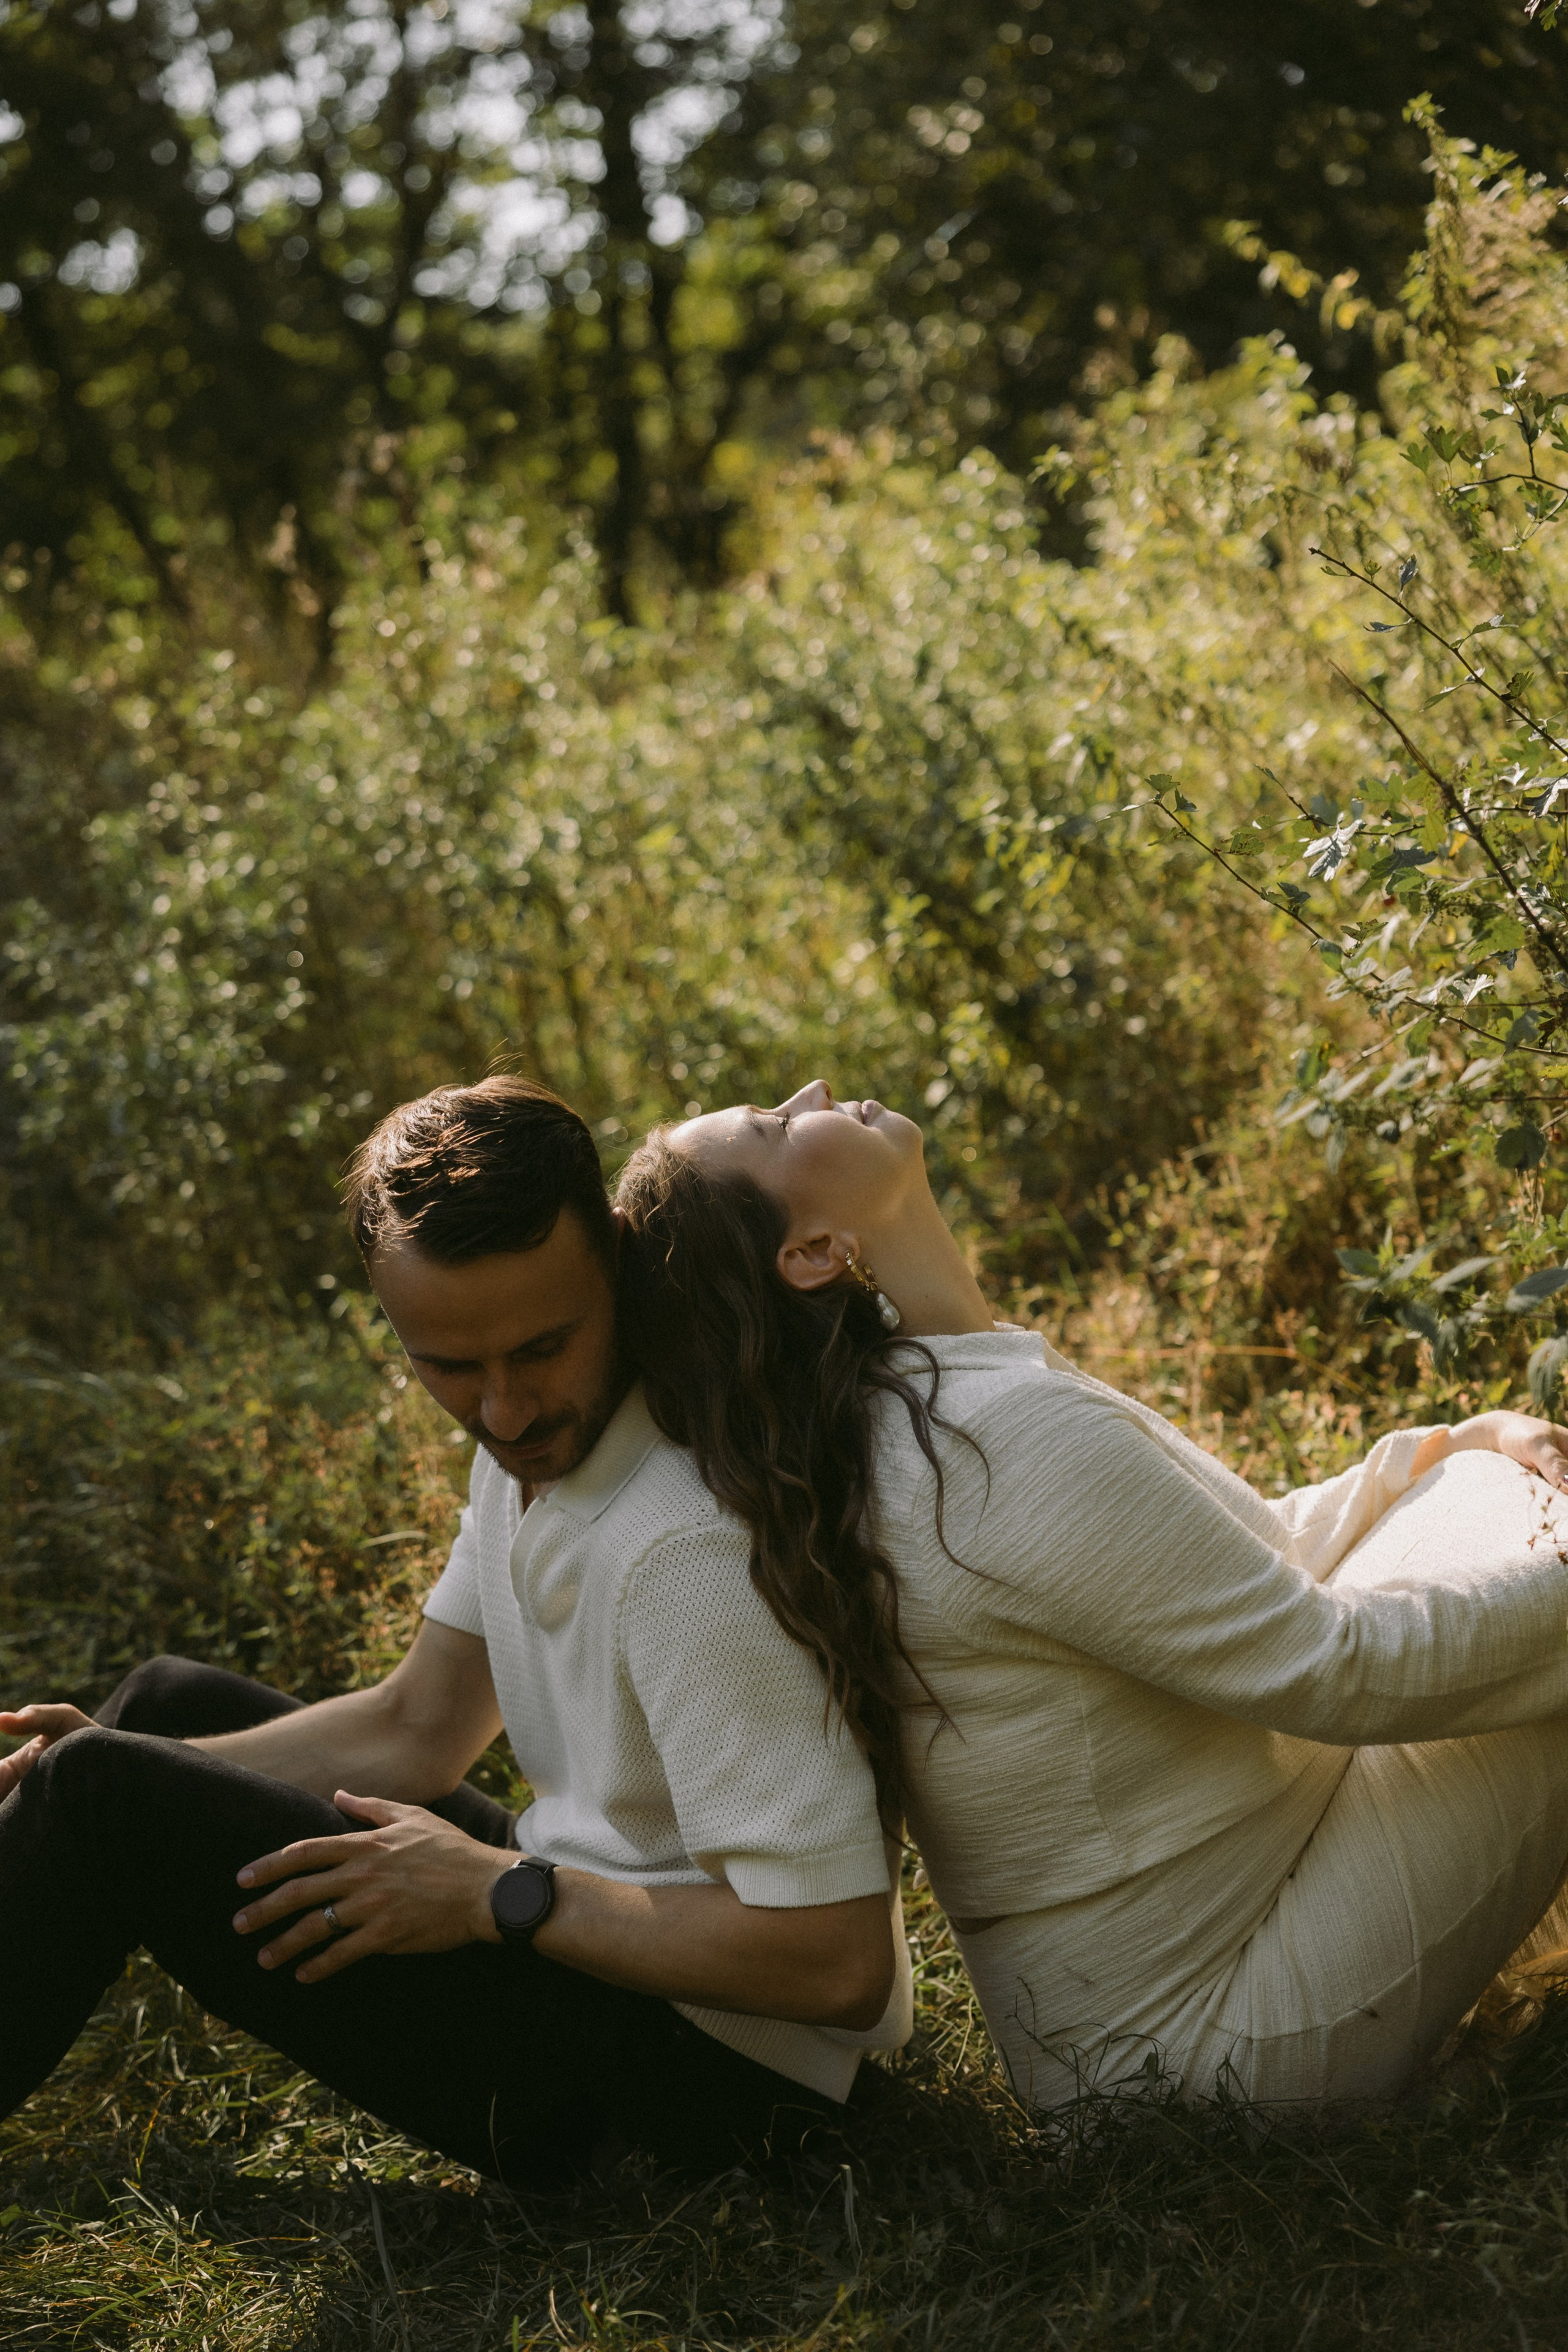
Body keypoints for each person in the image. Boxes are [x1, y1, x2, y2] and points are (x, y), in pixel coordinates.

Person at [0, 1077, 911, 2190]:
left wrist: (493, 1895)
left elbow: (839, 1965)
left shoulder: (686, 1546)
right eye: (450, 1365)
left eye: (542, 1347)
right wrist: (121, 1766)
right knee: (151, 1718)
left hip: (713, 2088)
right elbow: (417, 1726)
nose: (505, 1412)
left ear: (620, 1255)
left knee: (100, 1797)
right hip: (590, 1943)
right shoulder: (537, 1449)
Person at [614, 1077, 1568, 2111]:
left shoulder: (938, 1393)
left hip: (1228, 1922)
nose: (811, 1093)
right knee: (1544, 1675)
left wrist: (1442, 1450)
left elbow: (1248, 1556)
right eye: (771, 1127)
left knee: (1501, 1498)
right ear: (812, 1253)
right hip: (1198, 2047)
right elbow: (1337, 1668)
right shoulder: (980, 1449)